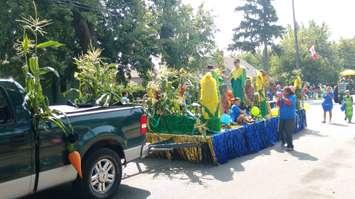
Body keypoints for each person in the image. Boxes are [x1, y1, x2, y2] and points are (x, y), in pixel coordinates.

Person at [277, 86, 297, 151]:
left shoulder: (293, 97)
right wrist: (279, 99)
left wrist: (282, 98)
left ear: (288, 92)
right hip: (282, 116)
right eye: (283, 91)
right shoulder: (283, 97)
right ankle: (283, 141)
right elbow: (278, 105)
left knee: (288, 132)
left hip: (290, 117)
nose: (283, 92)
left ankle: (290, 146)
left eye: (284, 91)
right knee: (280, 130)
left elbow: (289, 103)